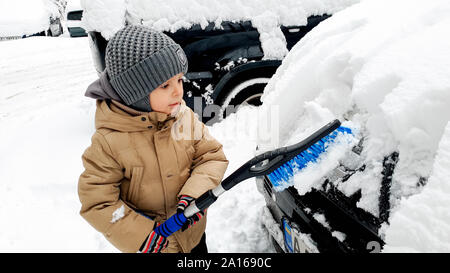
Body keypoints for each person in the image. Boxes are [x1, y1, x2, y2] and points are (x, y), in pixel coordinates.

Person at [78, 25, 229, 253]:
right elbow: (97, 201)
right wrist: (141, 235)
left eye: (179, 80)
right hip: (156, 246)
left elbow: (212, 157)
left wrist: (193, 194)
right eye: (165, 85)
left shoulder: (184, 118)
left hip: (193, 236)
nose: (178, 92)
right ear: (135, 94)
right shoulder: (110, 142)